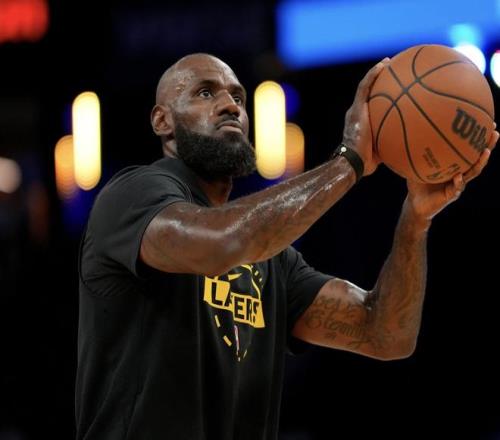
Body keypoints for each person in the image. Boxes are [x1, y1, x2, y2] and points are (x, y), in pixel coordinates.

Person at [75, 53, 498, 440]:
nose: (230, 106)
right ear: (162, 120)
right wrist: (349, 162)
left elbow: (386, 335)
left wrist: (415, 220)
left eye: (238, 97)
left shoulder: (272, 260)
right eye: (205, 92)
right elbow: (224, 242)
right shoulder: (133, 195)